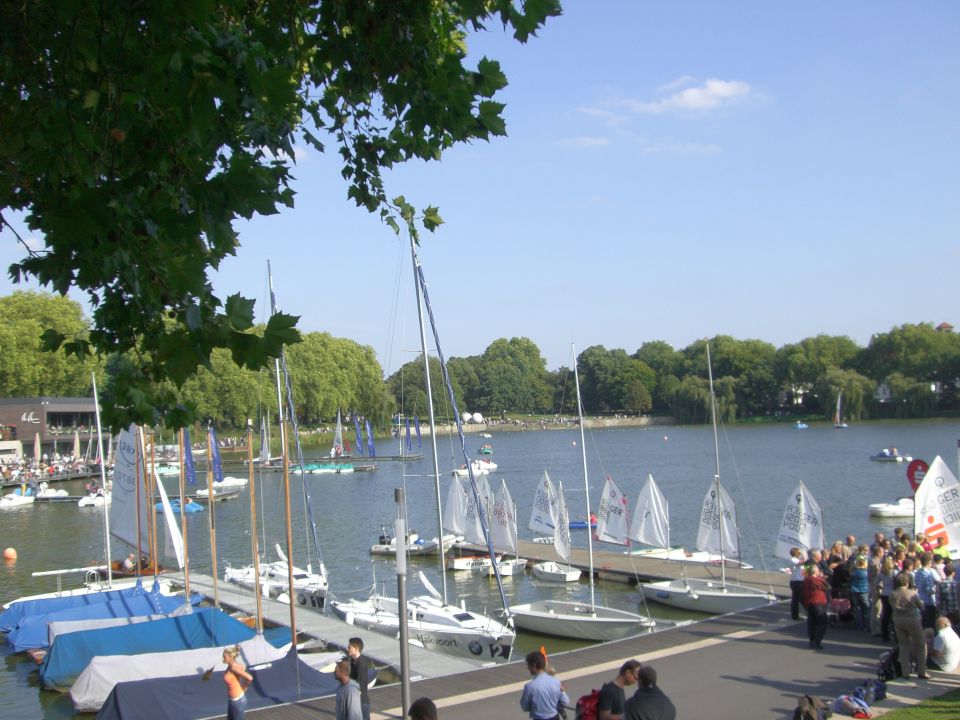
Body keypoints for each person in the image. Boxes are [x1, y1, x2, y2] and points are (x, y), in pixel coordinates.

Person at [890, 572, 928, 679]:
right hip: (912, 620)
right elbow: (921, 607)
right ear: (907, 582)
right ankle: (922, 671)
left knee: (903, 646)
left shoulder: (893, 594)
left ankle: (905, 672)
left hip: (898, 620)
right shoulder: (912, 594)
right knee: (920, 645)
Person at [520, 650, 569, 720]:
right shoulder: (556, 681)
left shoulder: (529, 687)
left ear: (534, 665)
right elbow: (565, 702)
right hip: (555, 717)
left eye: (528, 665)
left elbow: (525, 707)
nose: (528, 668)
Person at [801, 563, 830, 650]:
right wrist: (821, 577)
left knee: (812, 623)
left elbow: (802, 593)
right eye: (818, 571)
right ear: (814, 572)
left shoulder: (805, 580)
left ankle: (812, 640)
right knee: (822, 622)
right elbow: (827, 587)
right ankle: (817, 641)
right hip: (818, 602)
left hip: (809, 603)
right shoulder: (815, 580)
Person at [222, 645, 253, 720]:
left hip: (237, 701)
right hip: (233, 700)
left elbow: (249, 678)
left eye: (225, 657)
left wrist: (244, 688)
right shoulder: (232, 665)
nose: (223, 658)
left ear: (230, 657)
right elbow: (243, 667)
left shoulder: (233, 668)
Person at [347, 637, 371, 720]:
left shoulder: (361, 664)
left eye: (349, 647)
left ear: (356, 649)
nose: (347, 649)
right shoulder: (352, 661)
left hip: (360, 701)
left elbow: (359, 685)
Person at [789, 547, 805, 621]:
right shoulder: (793, 560)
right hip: (796, 581)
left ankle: (799, 613)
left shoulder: (797, 559)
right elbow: (800, 563)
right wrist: (804, 555)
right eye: (798, 553)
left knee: (800, 598)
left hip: (800, 581)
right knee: (796, 599)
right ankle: (795, 616)